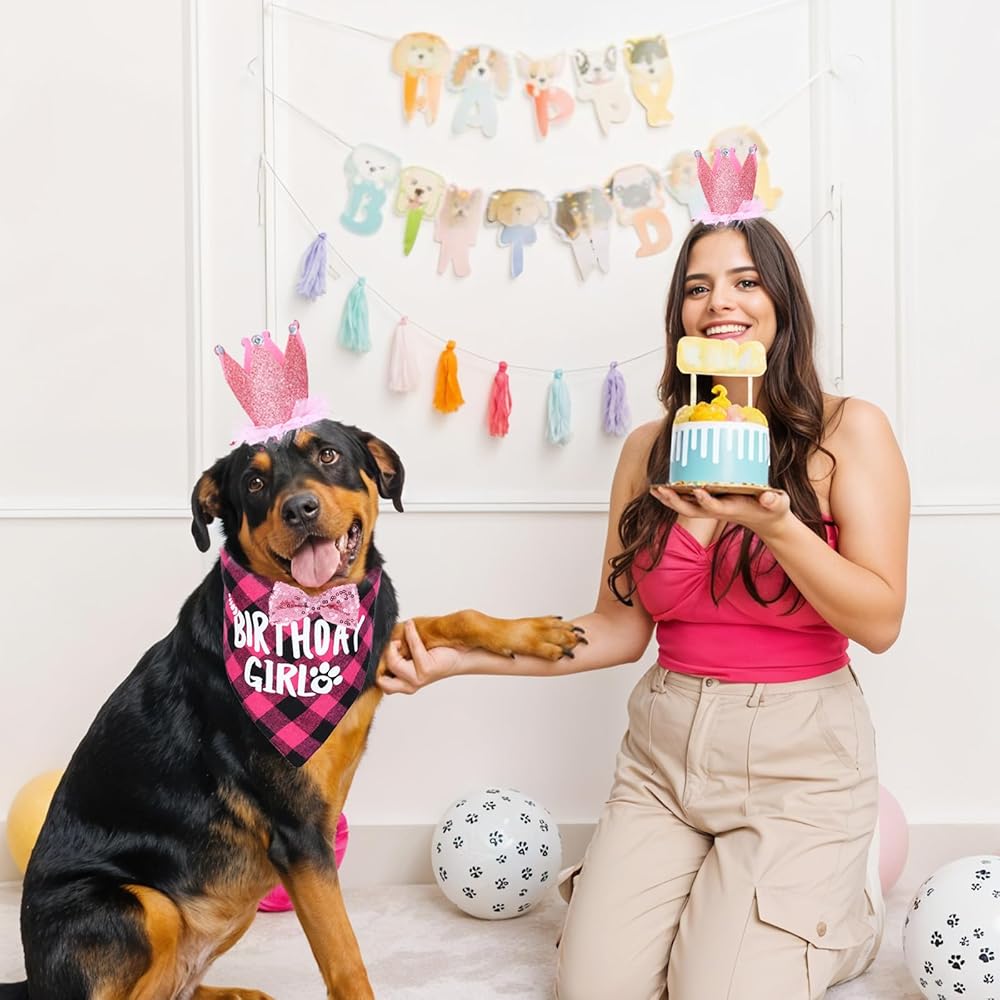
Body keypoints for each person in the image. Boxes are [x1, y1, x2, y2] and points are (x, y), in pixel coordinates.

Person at [379, 217, 910, 1000]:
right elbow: (617, 628)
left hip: (800, 757)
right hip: (665, 753)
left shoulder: (847, 431)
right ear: (679, 316)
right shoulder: (651, 449)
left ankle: (842, 912)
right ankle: (716, 895)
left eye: (745, 281)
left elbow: (881, 620)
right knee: (593, 988)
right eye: (698, 287)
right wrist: (463, 656)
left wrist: (775, 524)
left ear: (782, 302)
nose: (719, 302)